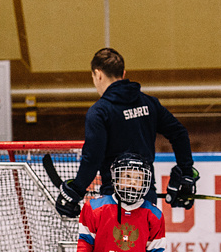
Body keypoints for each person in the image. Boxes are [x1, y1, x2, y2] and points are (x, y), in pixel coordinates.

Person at [55, 47, 198, 218]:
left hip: (113, 200)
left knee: (112, 245)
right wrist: (186, 173)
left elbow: (93, 157)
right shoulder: (149, 104)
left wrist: (76, 190)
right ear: (123, 73)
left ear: (98, 74)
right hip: (147, 197)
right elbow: (179, 134)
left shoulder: (100, 112)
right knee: (145, 245)